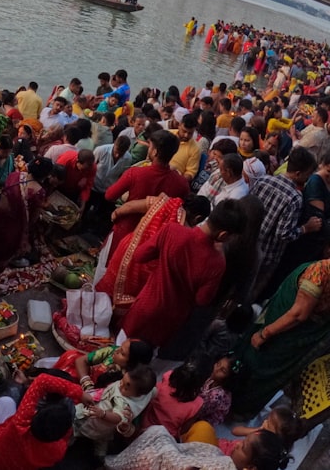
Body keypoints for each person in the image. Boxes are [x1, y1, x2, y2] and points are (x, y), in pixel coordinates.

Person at [121, 199, 245, 349]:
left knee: (119, 351)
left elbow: (140, 255)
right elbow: (202, 299)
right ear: (223, 235)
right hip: (168, 322)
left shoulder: (173, 231)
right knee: (140, 363)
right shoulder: (217, 263)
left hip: (145, 307)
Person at [232, 257, 330, 418]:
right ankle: (242, 408)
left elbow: (298, 314)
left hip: (286, 334)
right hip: (310, 332)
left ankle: (236, 405)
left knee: (257, 365)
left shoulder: (319, 273)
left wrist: (265, 333)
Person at [0, 372, 86, 470]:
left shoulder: (22, 423)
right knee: (5, 402)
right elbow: (67, 429)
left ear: (37, 415)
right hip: (12, 456)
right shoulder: (59, 449)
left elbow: (42, 381)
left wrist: (80, 393)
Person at [250, 147, 320, 300]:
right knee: (252, 292)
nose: (308, 179)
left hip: (247, 244)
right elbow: (284, 234)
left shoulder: (263, 180)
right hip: (267, 256)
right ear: (298, 173)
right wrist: (305, 228)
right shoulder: (294, 197)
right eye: (307, 175)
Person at [105, 424, 291, 470]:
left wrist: (165, 447)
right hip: (181, 458)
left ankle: (111, 464)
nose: (236, 446)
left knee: (155, 441)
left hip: (173, 463)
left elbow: (178, 465)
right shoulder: (229, 462)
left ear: (251, 467)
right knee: (160, 434)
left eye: (243, 448)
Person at [0, 157, 53, 273]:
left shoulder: (15, 175)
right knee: (6, 248)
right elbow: (33, 218)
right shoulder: (39, 192)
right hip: (14, 226)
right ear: (45, 175)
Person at [74, 365, 157, 456]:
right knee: (102, 438)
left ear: (138, 394)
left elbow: (118, 417)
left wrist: (103, 414)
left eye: (126, 388)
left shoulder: (122, 401)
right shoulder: (149, 392)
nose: (121, 386)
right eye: (122, 381)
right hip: (107, 429)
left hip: (96, 419)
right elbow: (154, 391)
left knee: (76, 426)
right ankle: (100, 455)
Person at [140, 362, 208, 438]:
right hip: (165, 437)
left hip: (144, 425)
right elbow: (184, 430)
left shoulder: (167, 376)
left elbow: (151, 396)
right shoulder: (198, 404)